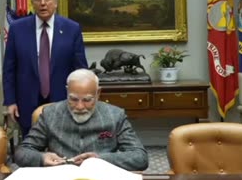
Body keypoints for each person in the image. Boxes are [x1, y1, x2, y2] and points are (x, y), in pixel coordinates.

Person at [14, 69, 149, 172]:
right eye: (73, 99)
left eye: (87, 100)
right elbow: (21, 153)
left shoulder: (115, 115)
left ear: (98, 93)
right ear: (67, 91)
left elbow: (140, 157)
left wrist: (100, 159)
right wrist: (42, 158)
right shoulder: (50, 114)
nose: (79, 106)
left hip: (101, 177)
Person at [3, 0, 88, 137]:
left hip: (63, 101)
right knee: (31, 149)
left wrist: (82, 101)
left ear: (55, 2)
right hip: (26, 101)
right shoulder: (17, 29)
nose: (43, 3)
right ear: (32, 2)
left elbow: (80, 70)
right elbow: (9, 69)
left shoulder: (72, 29)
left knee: (62, 147)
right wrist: (10, 101)